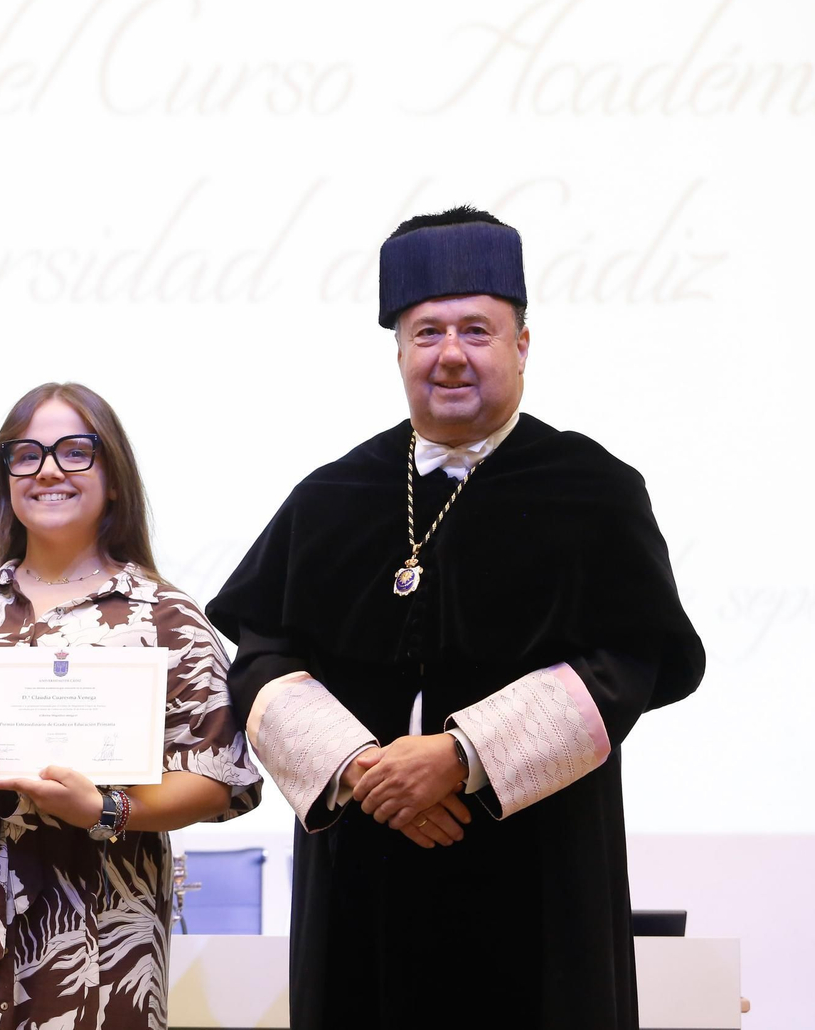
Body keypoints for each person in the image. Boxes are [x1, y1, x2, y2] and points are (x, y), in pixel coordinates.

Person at [206, 207, 705, 1030]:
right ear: (398, 349)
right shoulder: (332, 497)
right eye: (426, 331)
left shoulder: (593, 489)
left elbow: (631, 660)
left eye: (477, 329)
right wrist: (363, 768)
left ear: (523, 343)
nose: (450, 355)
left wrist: (462, 756)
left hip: (535, 877)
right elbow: (260, 654)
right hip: (364, 871)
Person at [0, 382, 262, 1030]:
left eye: (74, 451)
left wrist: (105, 809)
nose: (48, 471)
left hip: (99, 932)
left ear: (113, 475)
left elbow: (217, 780)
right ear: (5, 475)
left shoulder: (167, 618)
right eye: (26, 454)